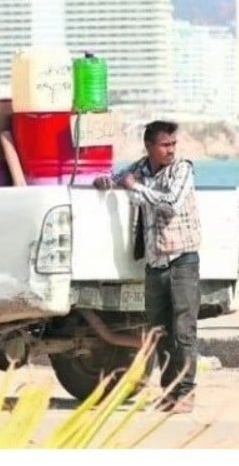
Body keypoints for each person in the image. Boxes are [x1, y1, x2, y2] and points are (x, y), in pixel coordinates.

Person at [94, 120, 200, 413]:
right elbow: (117, 178)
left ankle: (186, 393)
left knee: (184, 332)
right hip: (154, 263)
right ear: (150, 147)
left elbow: (170, 203)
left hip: (182, 259)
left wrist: (135, 188)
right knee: (160, 332)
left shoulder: (182, 170)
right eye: (165, 145)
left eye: (173, 144)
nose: (170, 150)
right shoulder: (140, 168)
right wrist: (105, 182)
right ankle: (169, 392)